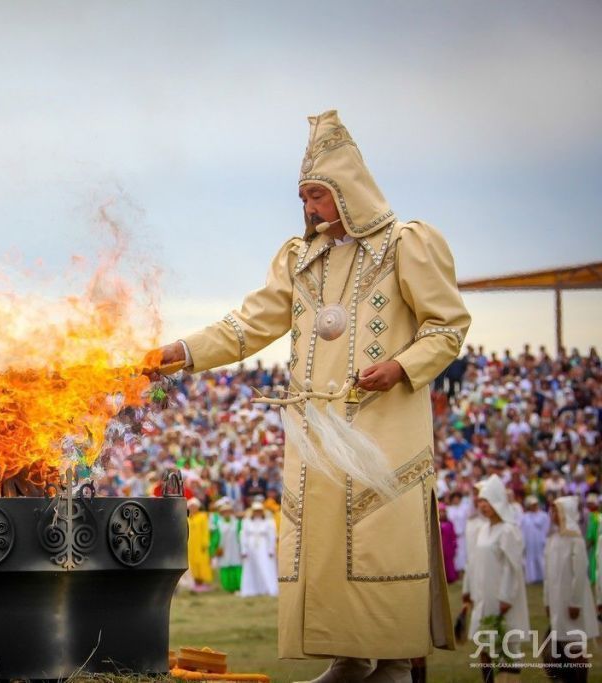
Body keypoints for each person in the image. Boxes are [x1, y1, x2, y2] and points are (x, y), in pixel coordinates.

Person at [155, 110, 470, 681]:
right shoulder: (300, 259)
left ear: (348, 191)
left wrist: (400, 366)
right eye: (304, 196)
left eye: (318, 194)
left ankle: (393, 663)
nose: (309, 207)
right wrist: (181, 350)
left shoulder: (406, 244)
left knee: (376, 538)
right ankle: (348, 658)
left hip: (382, 431)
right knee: (324, 544)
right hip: (316, 438)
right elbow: (249, 325)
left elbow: (447, 326)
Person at [462, 475, 529, 680]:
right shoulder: (483, 529)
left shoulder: (508, 530)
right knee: (484, 647)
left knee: (505, 648)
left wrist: (506, 598)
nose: (483, 506)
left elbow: (512, 567)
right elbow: (474, 562)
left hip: (501, 600)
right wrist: (469, 589)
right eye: (481, 501)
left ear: (498, 502)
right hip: (483, 597)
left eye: (487, 501)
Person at [543, 496, 597, 682]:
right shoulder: (552, 539)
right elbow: (548, 574)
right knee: (560, 646)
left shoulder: (576, 540)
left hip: (573, 603)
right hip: (557, 601)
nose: (553, 514)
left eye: (556, 510)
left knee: (575, 648)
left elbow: (580, 573)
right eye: (551, 510)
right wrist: (547, 601)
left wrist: (575, 602)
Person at [239, 502, 278, 597]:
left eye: (259, 511)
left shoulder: (268, 522)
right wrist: (244, 550)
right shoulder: (246, 522)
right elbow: (243, 536)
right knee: (251, 568)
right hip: (250, 547)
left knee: (265, 566)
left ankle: (268, 588)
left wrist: (271, 549)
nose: (257, 513)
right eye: (255, 511)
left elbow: (272, 536)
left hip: (264, 547)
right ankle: (252, 589)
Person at [211, 499, 243, 593]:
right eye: (224, 512)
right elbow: (216, 537)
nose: (227, 514)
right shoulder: (218, 524)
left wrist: (243, 549)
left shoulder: (237, 523)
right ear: (221, 513)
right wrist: (213, 549)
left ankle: (238, 585)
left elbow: (241, 536)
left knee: (236, 565)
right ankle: (227, 587)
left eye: (228, 512)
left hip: (235, 548)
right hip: (223, 549)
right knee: (225, 566)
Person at [518, 496, 548, 584]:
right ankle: (532, 577)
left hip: (540, 540)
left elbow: (546, 528)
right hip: (529, 541)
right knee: (529, 558)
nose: (534, 506)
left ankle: (543, 576)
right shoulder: (524, 517)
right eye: (532, 505)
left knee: (541, 557)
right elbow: (521, 529)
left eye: (536, 504)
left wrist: (544, 539)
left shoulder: (543, 515)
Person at [185, 498, 213, 591]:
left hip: (200, 544)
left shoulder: (203, 516)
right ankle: (194, 583)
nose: (192, 508)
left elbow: (205, 530)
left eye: (194, 506)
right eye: (191, 506)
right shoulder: (186, 518)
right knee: (191, 563)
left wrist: (205, 543)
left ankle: (203, 583)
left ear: (198, 507)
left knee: (201, 563)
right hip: (190, 545)